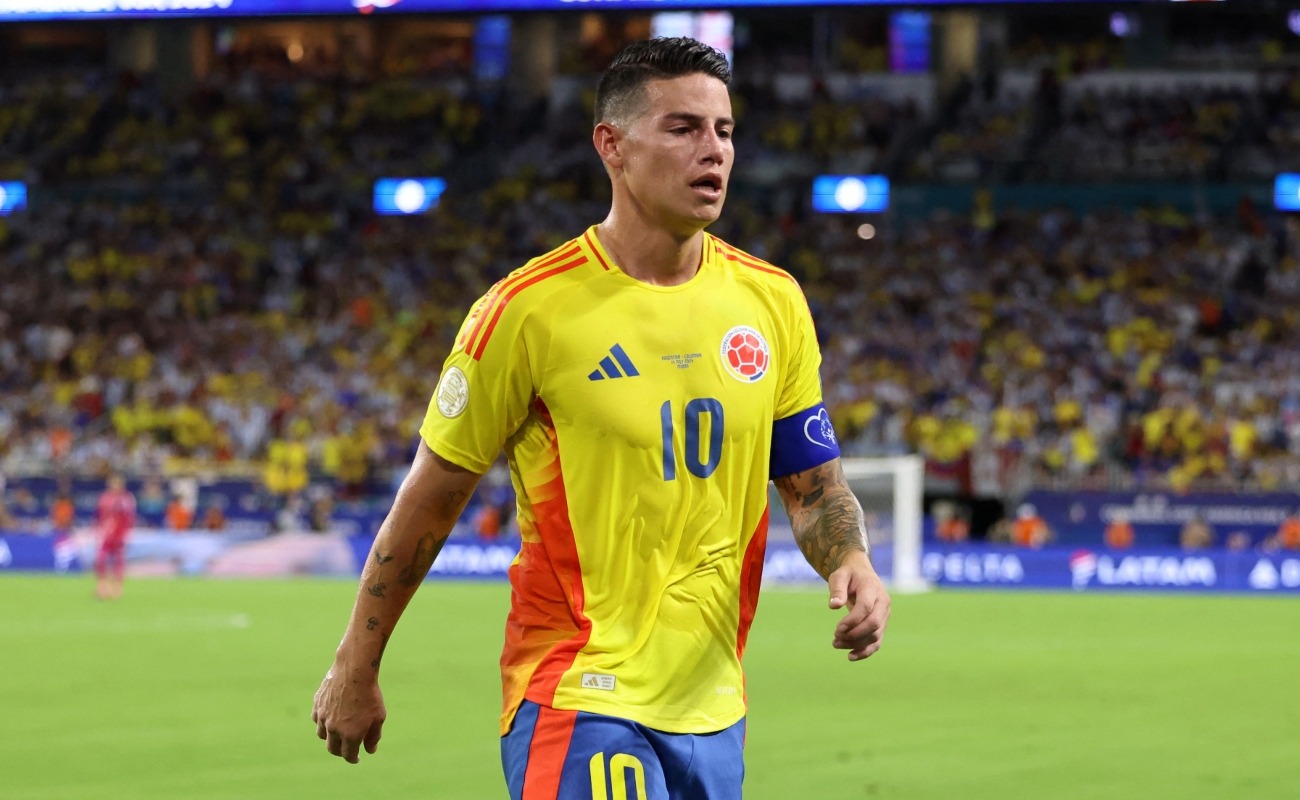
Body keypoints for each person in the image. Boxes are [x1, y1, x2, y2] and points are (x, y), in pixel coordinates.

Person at [312, 38, 891, 797]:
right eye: (683, 129)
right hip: (577, 691)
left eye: (723, 131)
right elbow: (429, 496)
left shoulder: (773, 301)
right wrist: (358, 661)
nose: (712, 150)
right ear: (611, 146)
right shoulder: (528, 311)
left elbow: (813, 488)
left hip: (714, 704)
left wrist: (850, 561)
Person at [93, 473, 137, 600]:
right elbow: (99, 516)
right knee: (101, 559)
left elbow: (129, 518)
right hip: (106, 534)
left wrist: (125, 533)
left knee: (118, 561)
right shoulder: (105, 498)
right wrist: (98, 530)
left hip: (119, 535)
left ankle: (117, 588)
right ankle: (102, 586)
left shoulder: (126, 499)